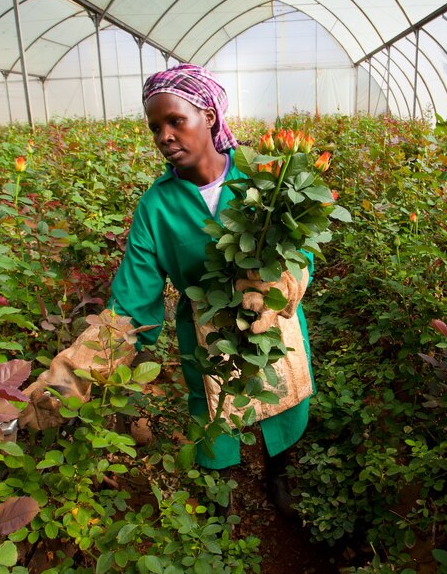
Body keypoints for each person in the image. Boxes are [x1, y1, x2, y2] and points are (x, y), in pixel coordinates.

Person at [108, 64, 314, 514]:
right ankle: (220, 504)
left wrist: (285, 282)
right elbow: (135, 294)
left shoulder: (265, 176)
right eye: (155, 127)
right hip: (206, 326)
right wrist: (101, 354)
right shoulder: (156, 205)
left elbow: (302, 251)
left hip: (270, 318)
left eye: (175, 121)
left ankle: (279, 477)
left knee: (282, 393)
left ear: (211, 118)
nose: (164, 135)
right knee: (211, 409)